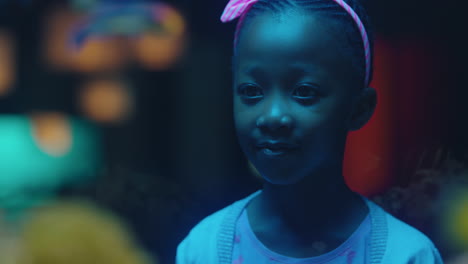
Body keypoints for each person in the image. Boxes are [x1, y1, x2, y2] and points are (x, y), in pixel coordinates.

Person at [176, 0, 443, 263]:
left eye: (304, 92)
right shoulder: (204, 250)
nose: (273, 116)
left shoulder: (405, 255)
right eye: (251, 91)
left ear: (359, 109)